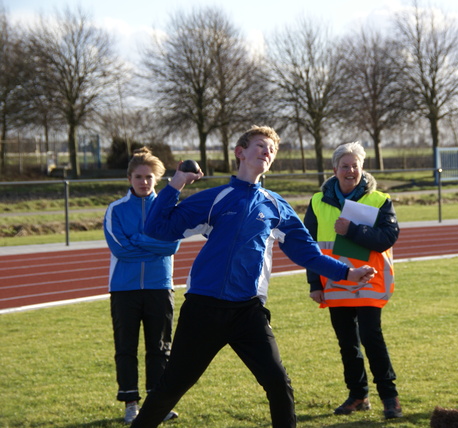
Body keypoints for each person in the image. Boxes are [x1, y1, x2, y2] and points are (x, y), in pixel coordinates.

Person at [130, 126, 376, 428]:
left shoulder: (276, 205)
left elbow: (308, 253)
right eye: (260, 145)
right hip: (203, 309)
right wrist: (176, 183)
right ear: (240, 152)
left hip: (247, 312)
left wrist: (348, 273)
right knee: (170, 388)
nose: (266, 151)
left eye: (271, 149)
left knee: (278, 384)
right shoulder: (216, 197)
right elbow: (156, 227)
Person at [304, 142, 402, 419]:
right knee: (347, 343)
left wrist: (353, 230)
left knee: (372, 338)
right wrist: (314, 284)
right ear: (334, 169)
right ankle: (358, 395)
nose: (350, 171)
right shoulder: (317, 201)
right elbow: (308, 246)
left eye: (355, 166)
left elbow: (387, 237)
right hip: (335, 283)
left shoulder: (379, 200)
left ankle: (389, 397)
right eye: (345, 166)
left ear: (362, 169)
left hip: (369, 282)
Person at [104, 148, 180, 424]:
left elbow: (171, 245)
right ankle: (130, 404)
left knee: (160, 348)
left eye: (149, 177)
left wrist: (137, 238)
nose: (143, 182)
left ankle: (157, 405)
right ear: (129, 178)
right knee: (126, 348)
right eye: (138, 176)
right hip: (124, 289)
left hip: (160, 285)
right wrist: (153, 246)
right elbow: (120, 249)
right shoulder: (116, 210)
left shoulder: (169, 208)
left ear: (157, 179)